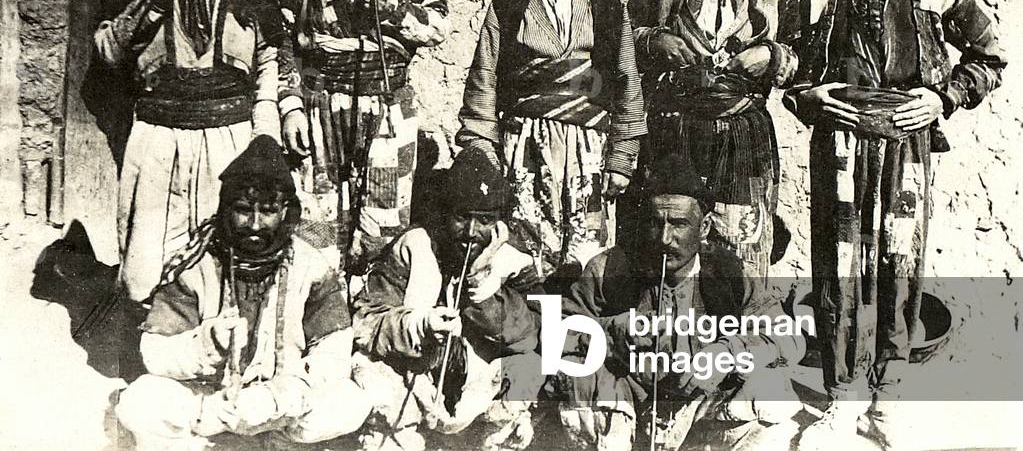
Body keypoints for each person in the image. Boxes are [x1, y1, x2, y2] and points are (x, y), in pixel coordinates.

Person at [787, 0, 1006, 450]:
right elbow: (794, 68)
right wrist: (805, 98)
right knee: (837, 265)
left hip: (905, 147)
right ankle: (840, 396)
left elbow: (990, 54)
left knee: (899, 262)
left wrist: (942, 98)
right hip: (837, 145)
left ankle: (890, 396)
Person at [94, 0, 281, 302]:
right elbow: (107, 51)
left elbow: (271, 55)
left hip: (228, 139)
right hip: (159, 140)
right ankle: (148, 350)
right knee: (147, 264)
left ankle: (213, 353)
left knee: (223, 255)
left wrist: (264, 133)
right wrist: (149, 5)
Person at [115, 136, 371, 450]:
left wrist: (286, 395)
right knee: (139, 401)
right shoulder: (197, 264)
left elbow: (333, 349)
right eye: (242, 209)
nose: (253, 224)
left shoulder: (310, 265)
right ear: (226, 208)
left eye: (267, 211)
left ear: (285, 211)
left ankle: (275, 443)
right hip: (213, 404)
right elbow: (154, 352)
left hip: (280, 406)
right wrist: (208, 344)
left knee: (351, 401)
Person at [273, 0, 450, 275]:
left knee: (384, 223)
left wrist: (395, 7)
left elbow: (440, 27)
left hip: (388, 102)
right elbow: (282, 35)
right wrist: (291, 105)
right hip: (319, 104)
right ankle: (325, 320)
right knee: (316, 223)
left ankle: (374, 320)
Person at [457, 0, 646, 279]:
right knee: (525, 249)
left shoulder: (605, 0)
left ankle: (577, 335)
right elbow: (484, 77)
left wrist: (622, 158)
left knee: (586, 255)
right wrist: (484, 149)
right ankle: (527, 335)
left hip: (588, 147)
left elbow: (626, 78)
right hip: (524, 145)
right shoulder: (510, 1)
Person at [554, 153, 806, 451]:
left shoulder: (729, 273)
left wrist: (726, 353)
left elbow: (788, 338)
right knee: (581, 383)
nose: (664, 238)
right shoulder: (609, 268)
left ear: (705, 227)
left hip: (701, 407)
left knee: (771, 391)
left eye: (678, 223)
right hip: (628, 401)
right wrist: (615, 332)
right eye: (655, 222)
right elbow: (560, 334)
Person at [627, 0, 800, 286]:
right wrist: (655, 40)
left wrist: (772, 56)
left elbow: (809, 61)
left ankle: (738, 339)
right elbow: (620, 38)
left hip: (743, 136)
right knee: (669, 239)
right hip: (674, 131)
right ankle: (667, 337)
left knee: (739, 243)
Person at [351, 147, 545, 451]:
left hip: (479, 387)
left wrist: (483, 291)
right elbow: (366, 320)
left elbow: (535, 332)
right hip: (414, 381)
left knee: (530, 369)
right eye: (461, 217)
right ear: (445, 212)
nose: (471, 232)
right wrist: (420, 326)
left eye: (484, 220)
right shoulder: (415, 246)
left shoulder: (512, 258)